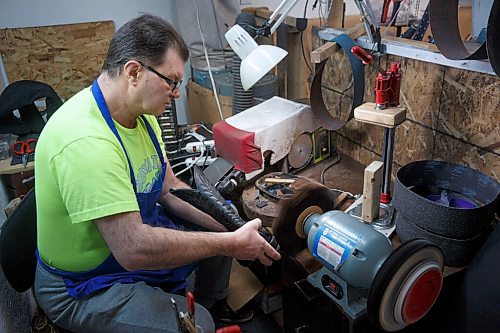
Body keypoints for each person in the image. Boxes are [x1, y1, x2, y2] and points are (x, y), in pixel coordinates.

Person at [34, 14, 280, 333]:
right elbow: (133, 248)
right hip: (84, 285)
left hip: (128, 242)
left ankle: (209, 304)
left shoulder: (141, 115)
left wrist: (232, 227)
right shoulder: (86, 143)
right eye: (172, 81)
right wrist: (229, 244)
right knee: (198, 324)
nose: (176, 93)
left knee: (223, 220)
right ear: (134, 72)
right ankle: (197, 316)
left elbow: (168, 188)